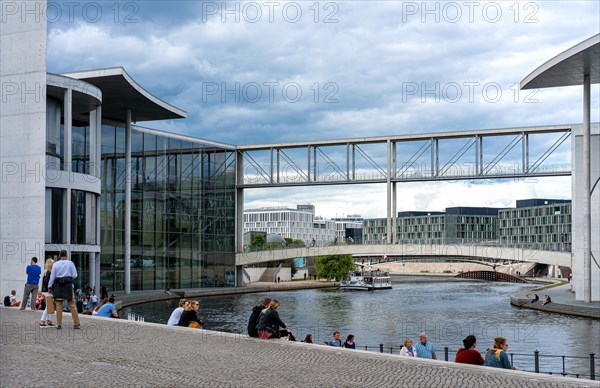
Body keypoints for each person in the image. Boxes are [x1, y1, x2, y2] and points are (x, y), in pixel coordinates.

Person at [48, 250, 81, 330]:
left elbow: (52, 277)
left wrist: (49, 287)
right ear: (67, 255)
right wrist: (68, 279)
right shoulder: (70, 263)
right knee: (72, 305)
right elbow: (75, 275)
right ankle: (76, 323)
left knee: (59, 306)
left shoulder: (55, 264)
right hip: (68, 286)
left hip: (58, 287)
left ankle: (59, 324)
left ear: (59, 255)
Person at [39, 258, 55, 327]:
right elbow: (48, 282)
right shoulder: (49, 272)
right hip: (48, 291)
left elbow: (44, 282)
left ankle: (48, 320)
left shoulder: (45, 272)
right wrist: (50, 288)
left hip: (45, 290)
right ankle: (43, 320)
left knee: (49, 306)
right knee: (48, 306)